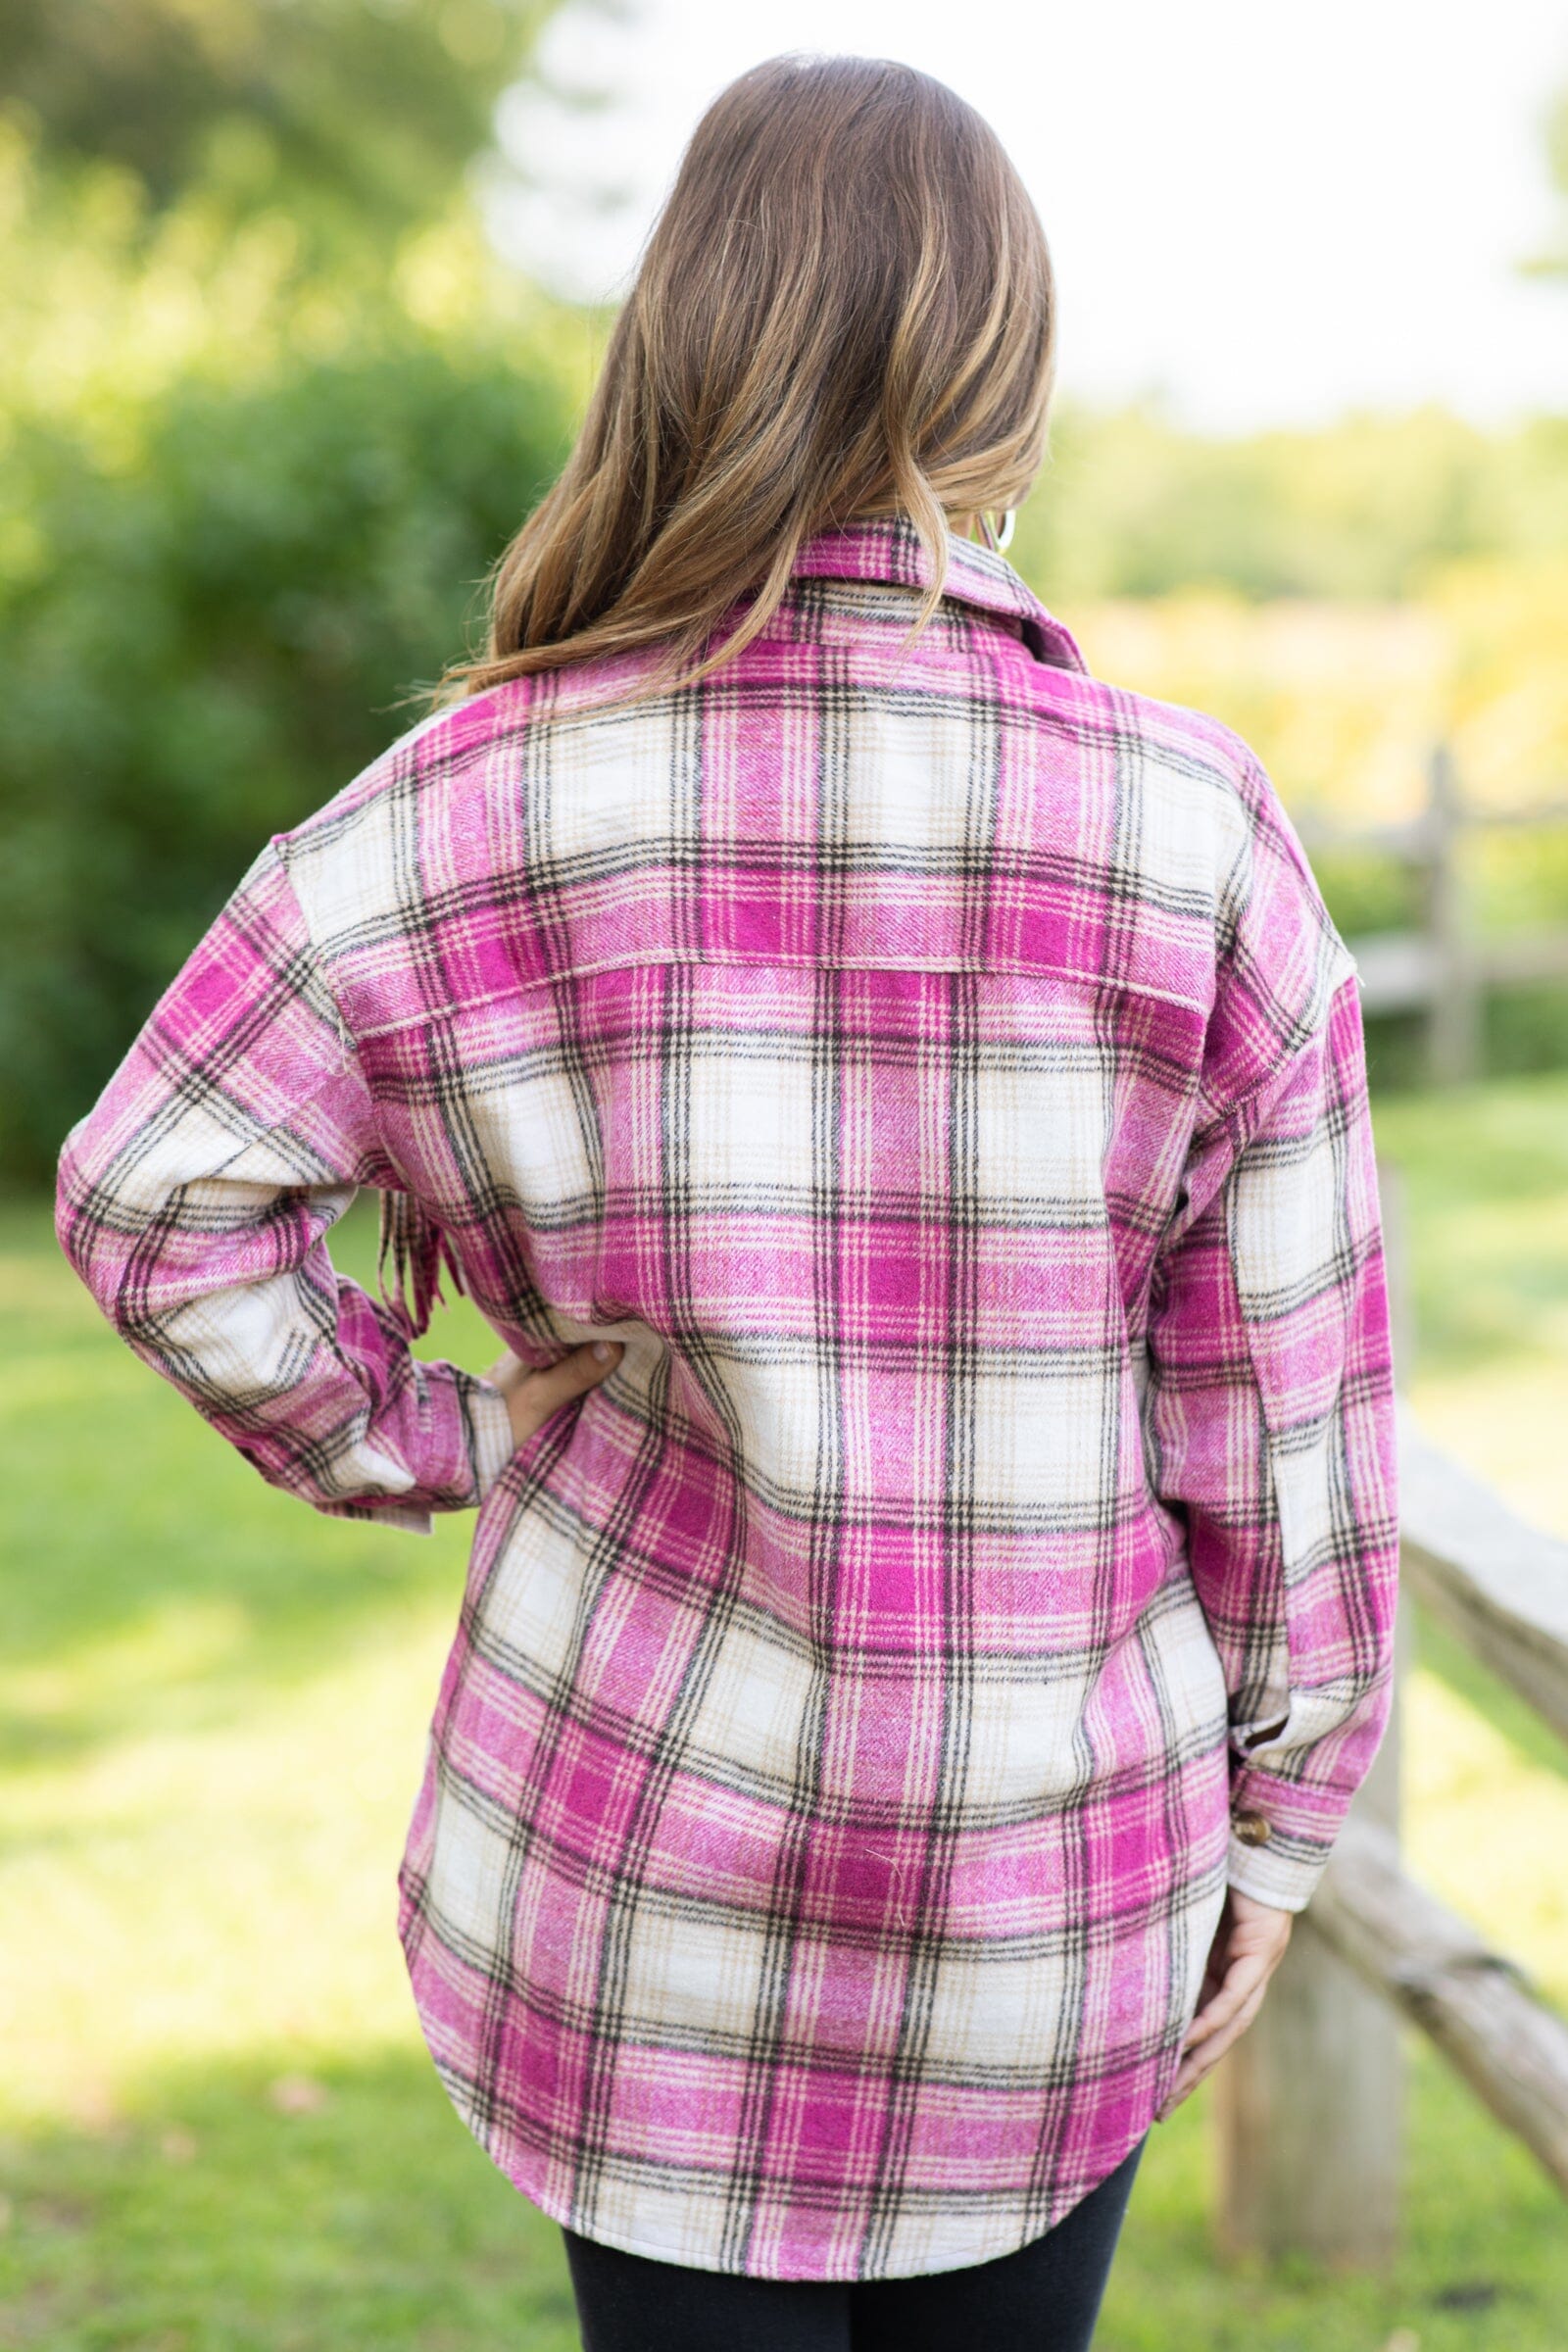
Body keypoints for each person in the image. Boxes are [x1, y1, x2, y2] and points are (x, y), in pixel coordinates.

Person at [55, 50, 1399, 2352]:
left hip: (628, 1906)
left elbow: (152, 1192)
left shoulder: (463, 801)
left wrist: (449, 1434)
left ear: (676, 343)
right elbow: (1276, 1422)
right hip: (1042, 1907)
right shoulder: (1193, 832)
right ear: (1000, 367)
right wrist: (1279, 1819)